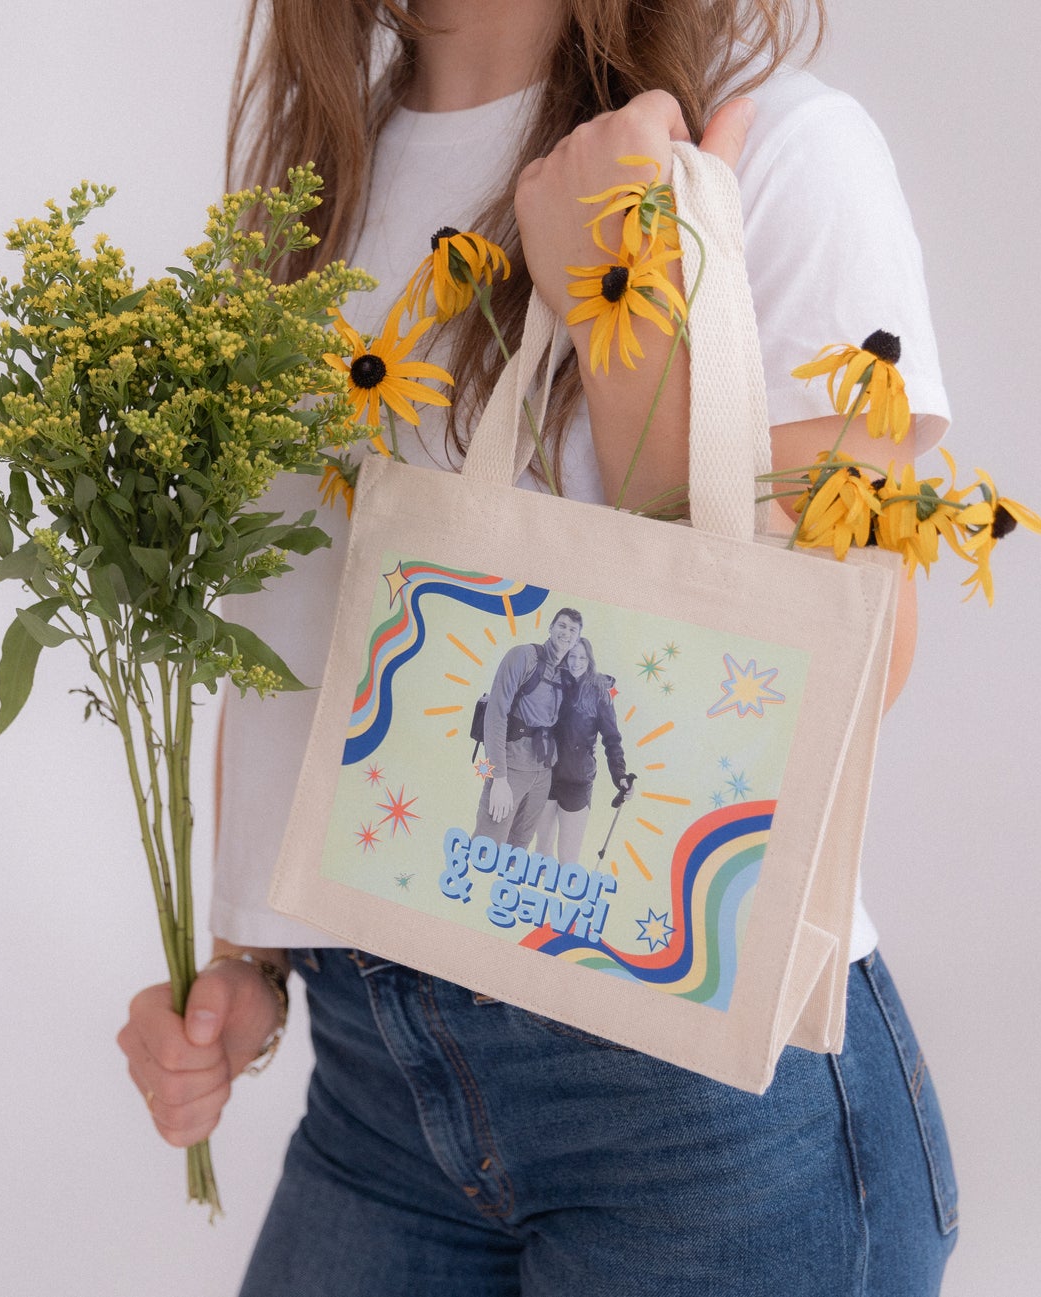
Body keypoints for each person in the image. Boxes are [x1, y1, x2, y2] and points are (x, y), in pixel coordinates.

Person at [116, 1, 961, 1291]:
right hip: (372, 1081)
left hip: (692, 1111)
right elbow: (293, 624)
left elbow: (852, 668)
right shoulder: (302, 196)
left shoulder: (775, 146)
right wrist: (253, 960)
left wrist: (613, 295)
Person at [472, 607, 582, 848]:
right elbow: (495, 715)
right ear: (550, 628)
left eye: (573, 630)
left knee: (518, 847)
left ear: (577, 639)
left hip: (543, 772)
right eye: (562, 625)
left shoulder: (568, 675)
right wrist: (498, 778)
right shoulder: (523, 657)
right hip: (510, 768)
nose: (566, 633)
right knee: (488, 844)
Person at [530, 636, 632, 867]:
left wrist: (620, 776)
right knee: (542, 849)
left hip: (577, 781)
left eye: (582, 657)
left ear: (590, 660)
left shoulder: (598, 694)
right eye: (572, 656)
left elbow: (612, 740)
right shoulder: (553, 684)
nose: (576, 662)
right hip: (545, 776)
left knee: (568, 856)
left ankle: (565, 897)